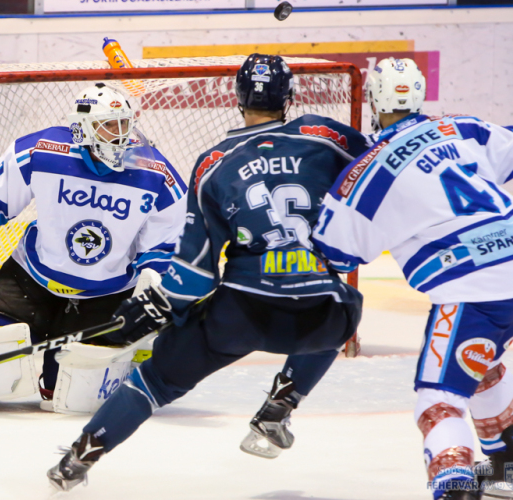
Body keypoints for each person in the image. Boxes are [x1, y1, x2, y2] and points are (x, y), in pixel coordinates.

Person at [46, 53, 373, 491]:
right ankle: (280, 404)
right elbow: (380, 173)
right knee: (344, 303)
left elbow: (196, 275)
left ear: (237, 99)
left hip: (242, 312)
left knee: (156, 379)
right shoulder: (327, 136)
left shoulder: (212, 163)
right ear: (289, 96)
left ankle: (78, 458)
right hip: (321, 316)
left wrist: (160, 305)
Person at [0, 83, 187, 408]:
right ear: (82, 128)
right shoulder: (42, 150)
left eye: (124, 124)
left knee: (69, 392)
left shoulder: (155, 172)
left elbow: (169, 237)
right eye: (108, 126)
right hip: (31, 279)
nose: (119, 135)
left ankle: (133, 352)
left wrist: (152, 277)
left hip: (106, 294)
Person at [312, 57, 513, 500]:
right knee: (480, 365)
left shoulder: (367, 171)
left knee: (439, 399)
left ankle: (456, 487)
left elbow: (337, 250)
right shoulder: (463, 127)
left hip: (471, 291)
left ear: (372, 101)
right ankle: (507, 465)